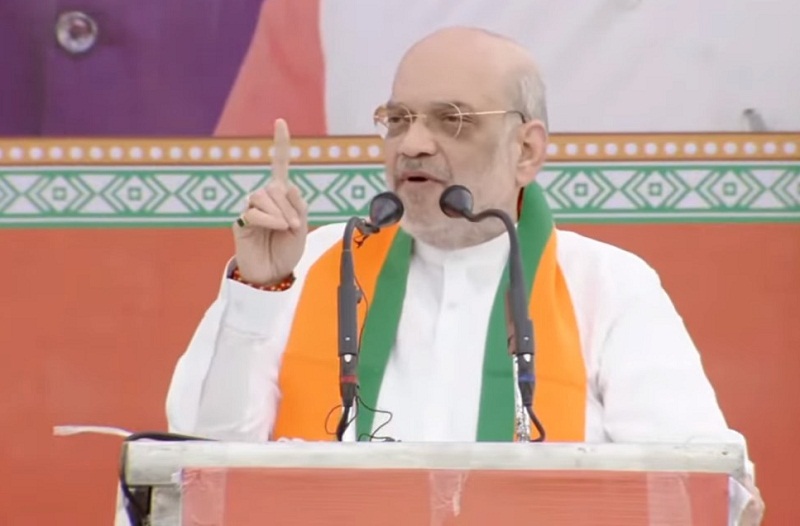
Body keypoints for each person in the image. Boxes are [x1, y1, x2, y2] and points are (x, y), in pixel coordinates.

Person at [165, 27, 764, 524]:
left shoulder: (607, 284)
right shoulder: (312, 264)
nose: (412, 144)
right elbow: (200, 468)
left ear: (526, 150)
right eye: (397, 119)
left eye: (451, 119)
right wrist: (256, 293)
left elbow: (698, 478)